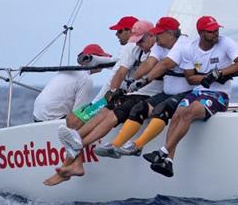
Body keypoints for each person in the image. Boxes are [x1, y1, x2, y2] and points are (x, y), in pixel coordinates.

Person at [43, 19, 155, 186]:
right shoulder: (132, 49)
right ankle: (76, 163)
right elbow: (111, 64)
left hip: (119, 98)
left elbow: (111, 63)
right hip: (112, 97)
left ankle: (70, 165)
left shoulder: (135, 48)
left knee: (74, 120)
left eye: (119, 31)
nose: (117, 35)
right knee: (72, 119)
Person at [145, 15, 238, 178]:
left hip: (219, 95)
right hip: (197, 92)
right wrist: (207, 78)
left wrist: (220, 73)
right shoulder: (190, 49)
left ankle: (162, 152)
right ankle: (169, 162)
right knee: (178, 113)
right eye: (211, 31)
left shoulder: (226, 42)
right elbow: (190, 78)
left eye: (216, 30)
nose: (215, 34)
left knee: (188, 112)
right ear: (201, 33)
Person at [93, 16, 193, 158]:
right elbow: (149, 63)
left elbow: (164, 65)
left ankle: (137, 145)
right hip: (168, 92)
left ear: (170, 34)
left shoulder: (183, 45)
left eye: (159, 33)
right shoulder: (160, 45)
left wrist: (144, 80)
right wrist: (132, 81)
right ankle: (115, 146)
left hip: (187, 92)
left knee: (160, 110)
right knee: (139, 108)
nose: (155, 36)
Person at [32, 44, 111, 126]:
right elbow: (77, 114)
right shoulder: (86, 79)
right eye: (101, 58)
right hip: (52, 119)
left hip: (37, 116)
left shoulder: (68, 69)